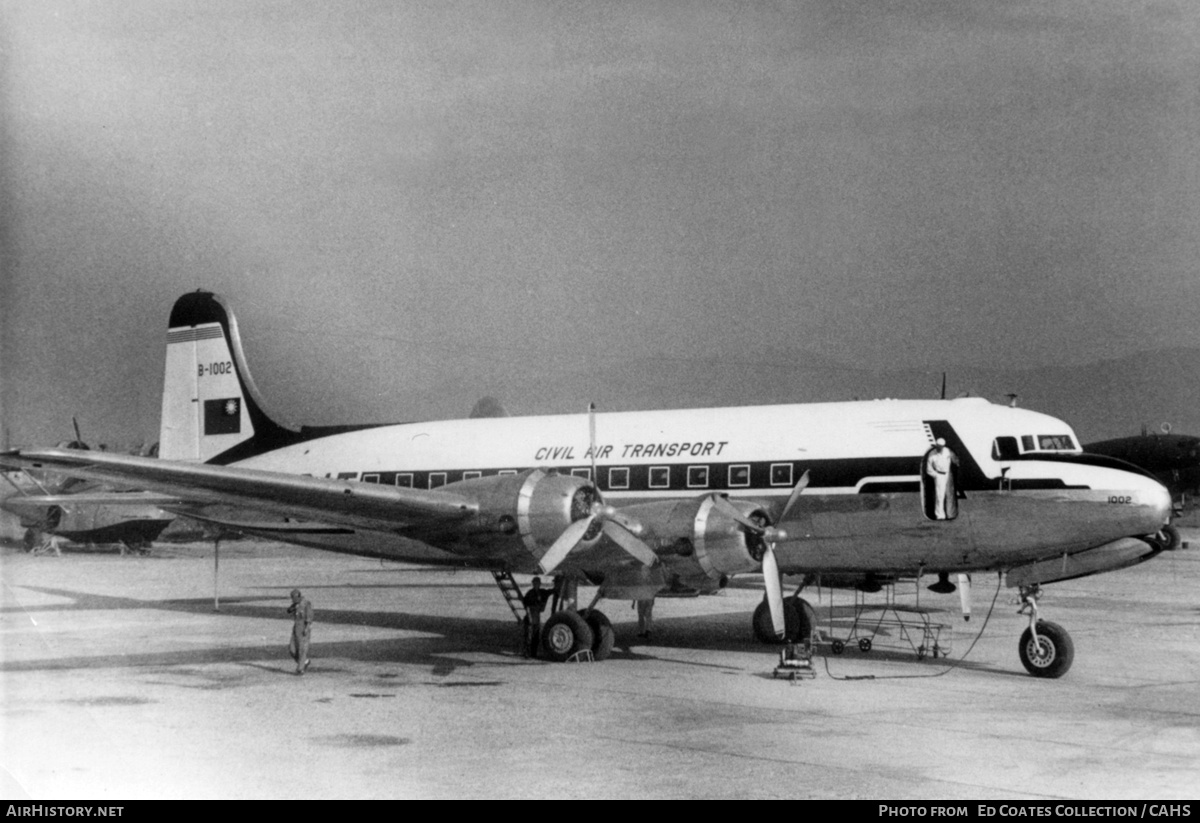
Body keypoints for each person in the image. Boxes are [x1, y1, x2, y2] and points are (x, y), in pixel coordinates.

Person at [926, 439, 958, 520]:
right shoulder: (932, 454)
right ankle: (940, 515)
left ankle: (950, 514)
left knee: (949, 494)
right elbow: (928, 469)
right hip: (939, 475)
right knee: (939, 496)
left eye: (941, 447)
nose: (939, 448)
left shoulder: (947, 451)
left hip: (948, 473)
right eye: (938, 446)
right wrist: (936, 475)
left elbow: (954, 459)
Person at [521, 577, 553, 658]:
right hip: (530, 616)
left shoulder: (541, 592)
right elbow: (526, 605)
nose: (536, 585)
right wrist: (529, 617)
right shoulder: (530, 593)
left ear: (539, 584)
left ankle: (533, 654)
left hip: (536, 617)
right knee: (528, 637)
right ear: (533, 584)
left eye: (537, 583)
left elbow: (549, 592)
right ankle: (526, 654)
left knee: (535, 637)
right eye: (535, 583)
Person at [287, 589, 313, 675]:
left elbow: (309, 618)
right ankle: (304, 662)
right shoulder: (295, 604)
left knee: (302, 649)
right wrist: (293, 606)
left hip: (303, 628)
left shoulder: (306, 604)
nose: (292, 600)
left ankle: (300, 669)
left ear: (298, 597)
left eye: (293, 598)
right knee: (292, 649)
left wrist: (306, 628)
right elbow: (288, 610)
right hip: (296, 628)